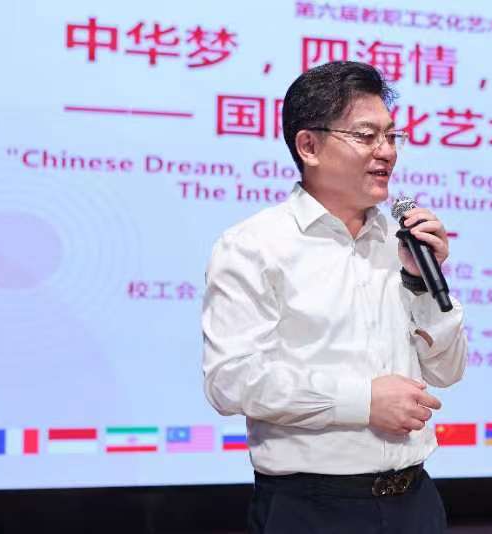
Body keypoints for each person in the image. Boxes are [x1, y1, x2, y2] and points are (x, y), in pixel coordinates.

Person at [202, 61, 467, 533]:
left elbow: (448, 370)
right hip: (312, 508)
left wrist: (422, 282)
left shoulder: (402, 244)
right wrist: (362, 400)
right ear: (309, 146)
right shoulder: (254, 246)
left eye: (391, 136)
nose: (386, 151)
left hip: (416, 502)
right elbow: (232, 381)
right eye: (366, 136)